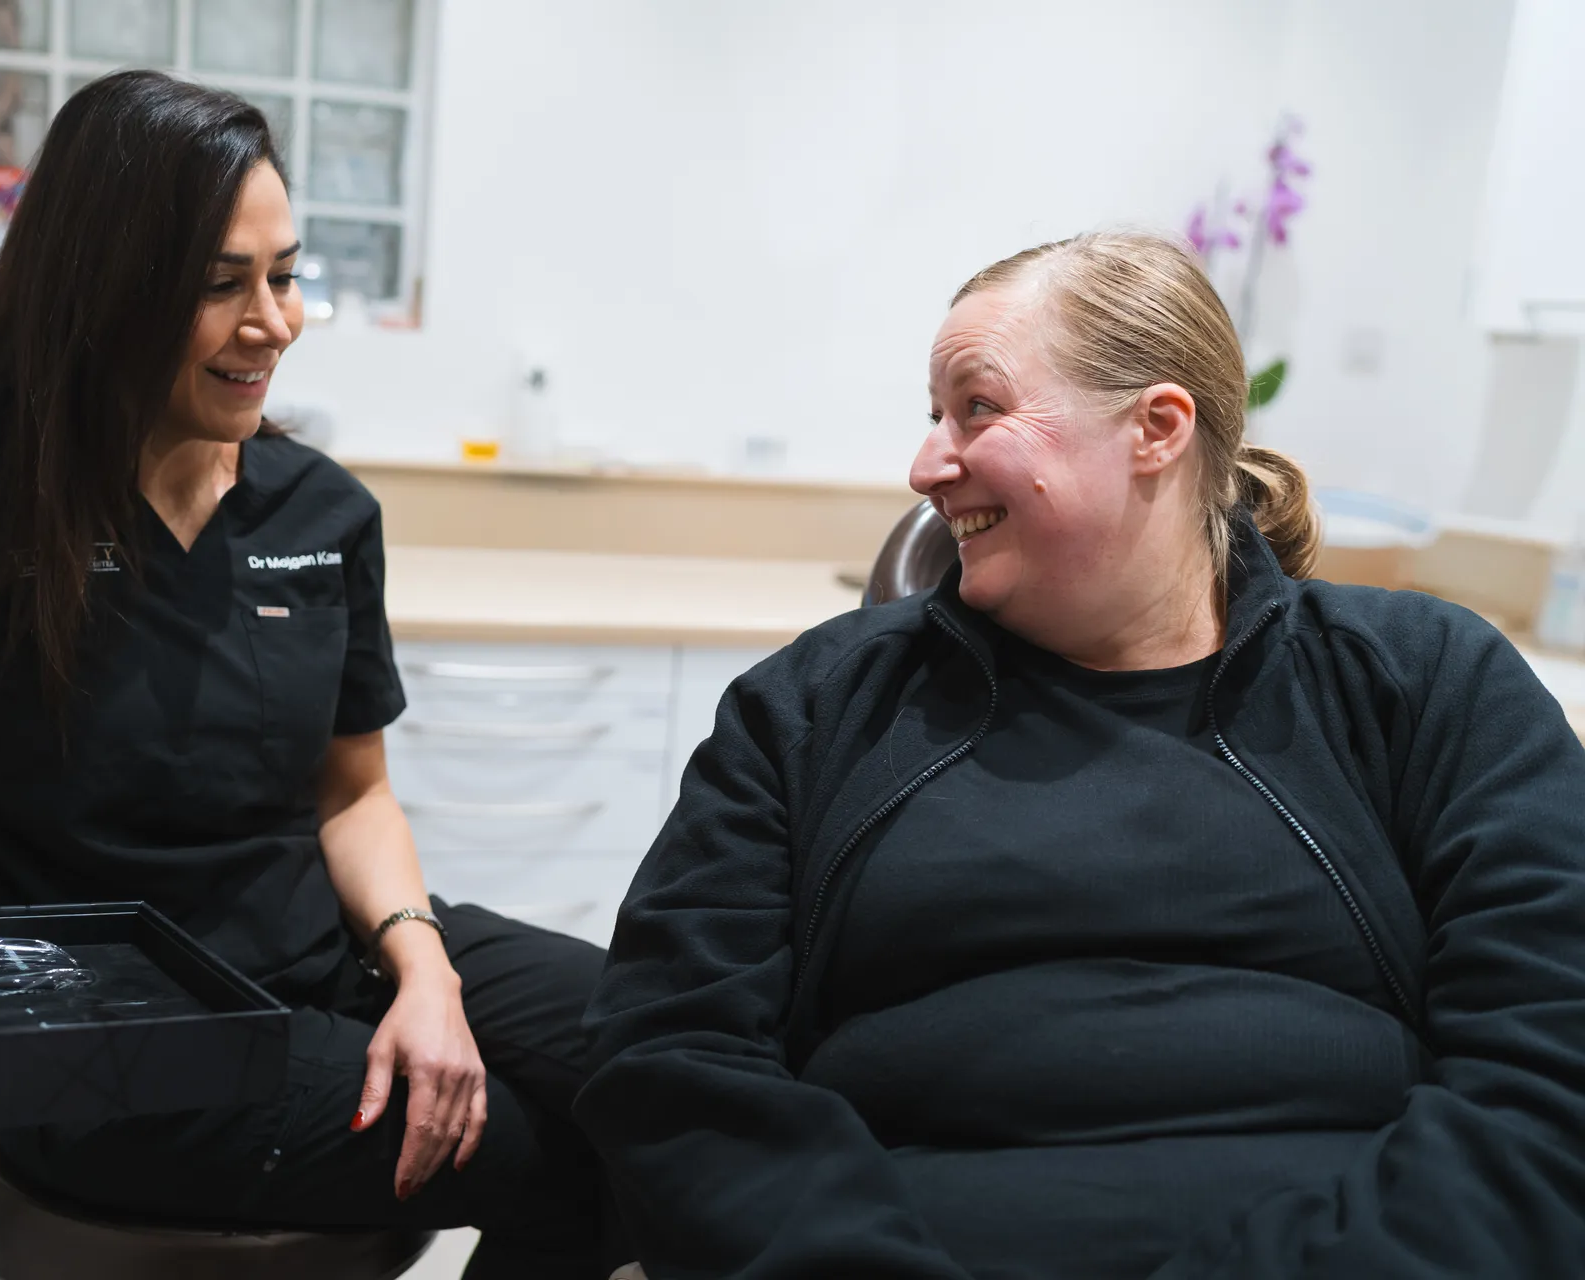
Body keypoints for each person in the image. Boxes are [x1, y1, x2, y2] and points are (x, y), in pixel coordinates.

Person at [0, 70, 613, 1278]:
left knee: (675, 1052)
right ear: (105, 291)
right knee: (569, 1158)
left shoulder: (323, 509)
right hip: (119, 1041)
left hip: (321, 952)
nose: (275, 322)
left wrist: (426, 969)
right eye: (221, 285)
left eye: (286, 275)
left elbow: (351, 794)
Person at [576, 231, 1585, 1278]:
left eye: (978, 407)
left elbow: (1551, 1066)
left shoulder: (1423, 683)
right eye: (934, 416)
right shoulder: (817, 706)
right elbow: (672, 1053)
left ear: (1155, 427)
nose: (926, 465)